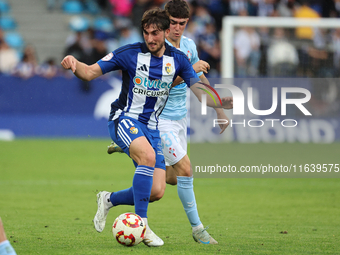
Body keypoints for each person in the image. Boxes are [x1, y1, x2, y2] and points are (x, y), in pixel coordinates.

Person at [61, 8, 233, 247]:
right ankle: (142, 225)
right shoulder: (129, 53)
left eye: (155, 33)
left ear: (164, 32)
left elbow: (199, 91)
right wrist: (74, 63)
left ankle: (108, 199)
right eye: (146, 33)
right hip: (124, 119)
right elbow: (89, 72)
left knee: (156, 191)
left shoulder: (179, 59)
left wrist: (220, 102)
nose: (150, 38)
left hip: (152, 127)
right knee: (148, 156)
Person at [107, 0, 230, 244]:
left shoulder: (188, 46)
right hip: (157, 120)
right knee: (186, 169)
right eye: (172, 23)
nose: (177, 29)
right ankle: (198, 230)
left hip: (179, 119)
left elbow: (198, 78)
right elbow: (159, 84)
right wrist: (188, 70)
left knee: (169, 181)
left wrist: (218, 109)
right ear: (165, 23)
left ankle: (116, 181)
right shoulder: (154, 48)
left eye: (182, 24)